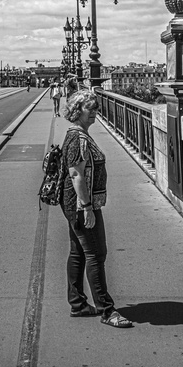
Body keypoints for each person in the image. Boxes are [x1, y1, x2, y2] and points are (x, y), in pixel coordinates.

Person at [60, 89, 133, 328]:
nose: (95, 112)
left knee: (78, 252)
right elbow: (76, 175)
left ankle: (78, 304)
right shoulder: (79, 138)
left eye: (96, 108)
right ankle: (107, 311)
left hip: (74, 204)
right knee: (96, 254)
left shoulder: (75, 134)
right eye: (89, 108)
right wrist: (88, 207)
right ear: (77, 111)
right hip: (82, 205)